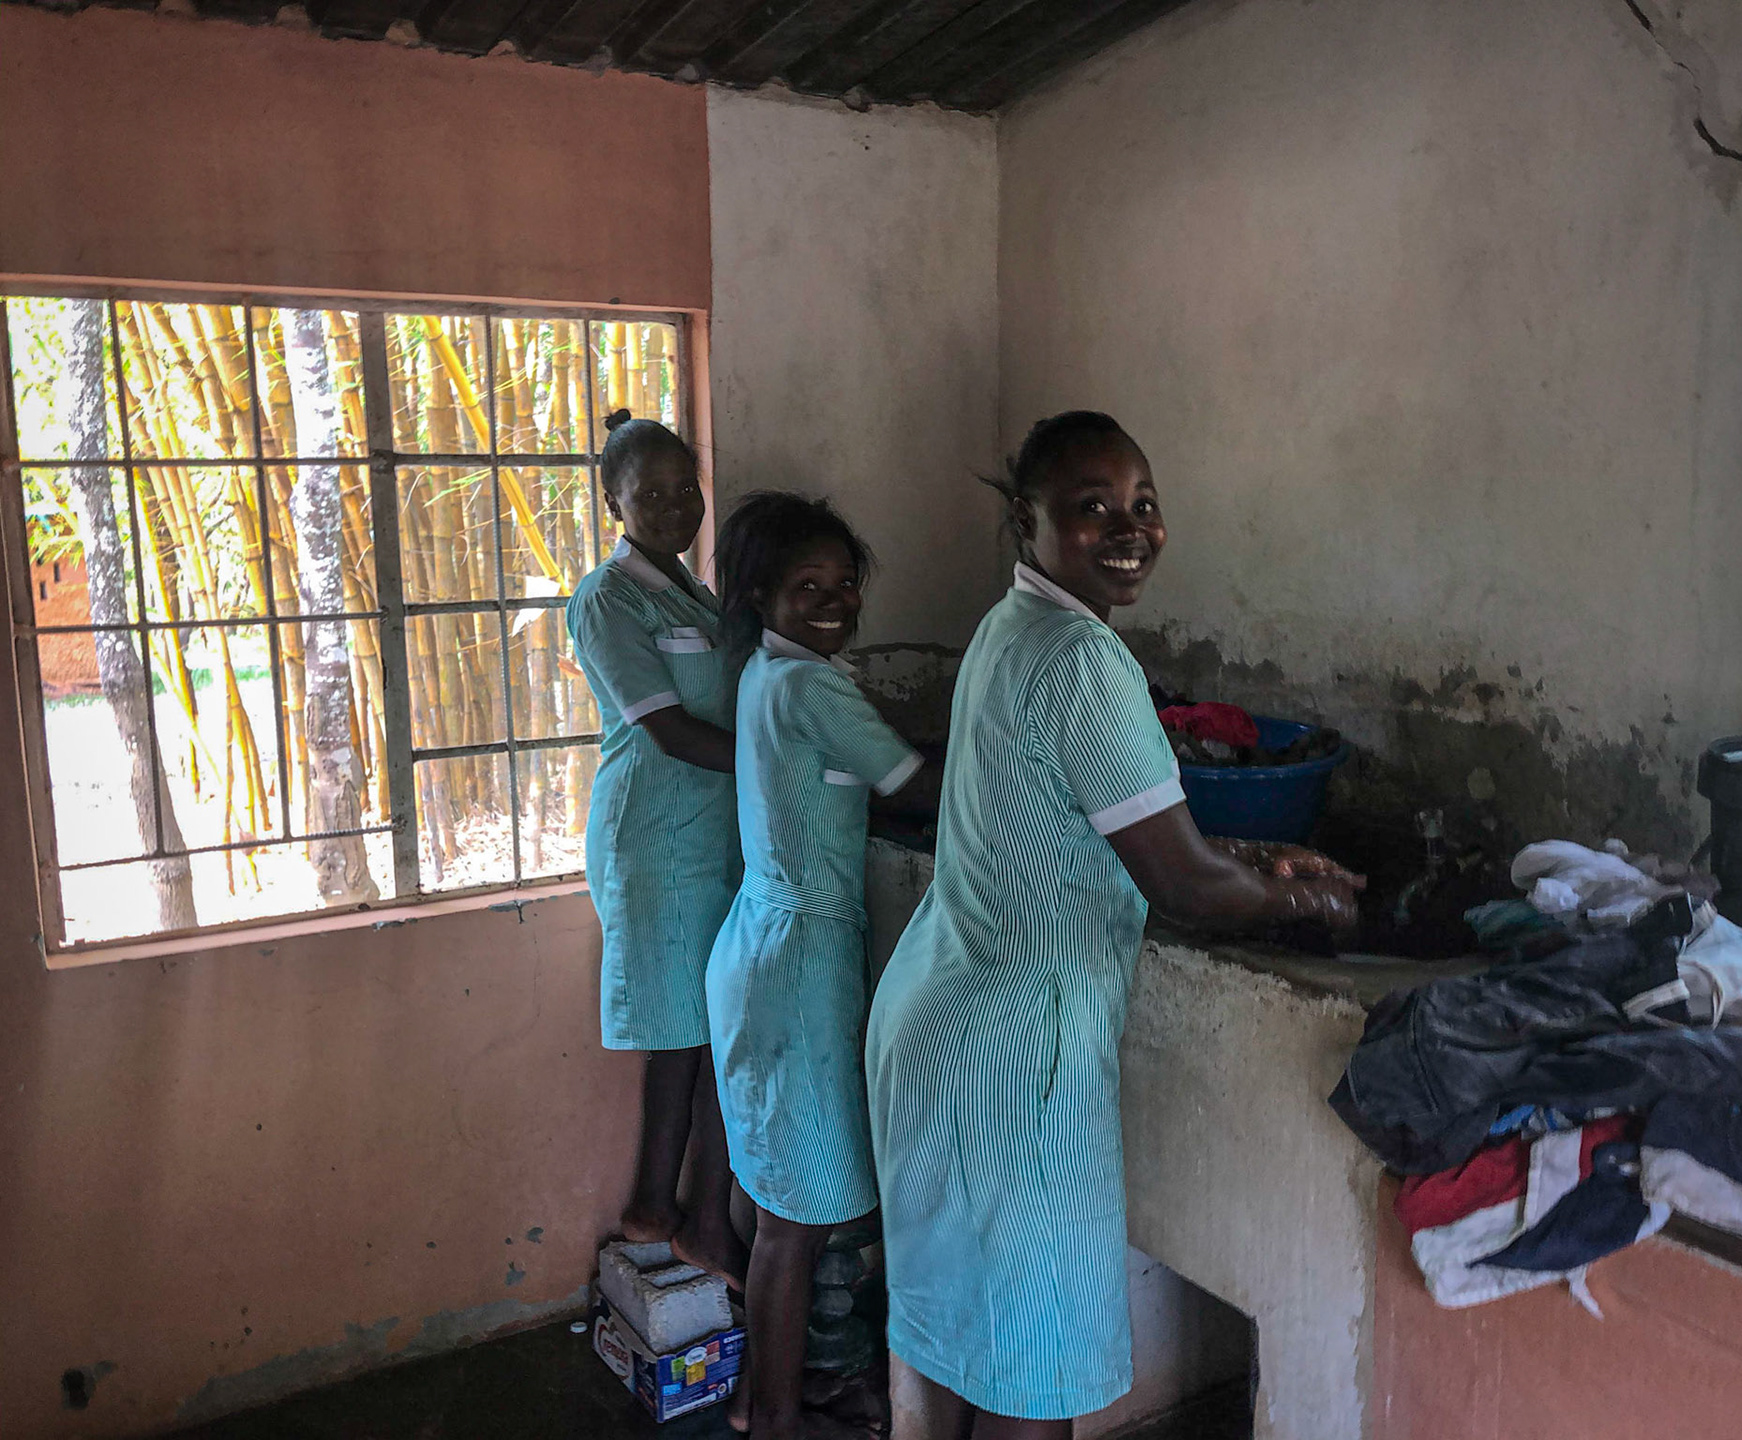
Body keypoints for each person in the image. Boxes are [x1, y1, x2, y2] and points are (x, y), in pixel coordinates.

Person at [866, 412, 1363, 1440]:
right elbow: (1180, 881)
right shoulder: (1086, 660)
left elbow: (1094, 825)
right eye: (1092, 508)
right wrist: (1297, 899)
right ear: (1028, 518)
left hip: (937, 1020)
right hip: (1016, 1066)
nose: (1129, 528)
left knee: (976, 1349)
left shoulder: (1009, 627)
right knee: (1034, 1377)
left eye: (1143, 504)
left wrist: (1258, 861)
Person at [707, 492, 939, 1440]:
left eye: (846, 584)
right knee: (794, 1226)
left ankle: (779, 1390)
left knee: (767, 1191)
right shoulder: (813, 686)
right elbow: (919, 788)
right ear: (762, 593)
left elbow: (859, 765)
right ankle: (772, 1417)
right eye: (810, 586)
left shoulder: (769, 672)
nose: (836, 601)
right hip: (800, 964)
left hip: (755, 948)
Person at [566, 409, 748, 1291]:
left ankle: (688, 1212)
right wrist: (782, 767)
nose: (678, 506)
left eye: (688, 488)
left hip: (708, 837)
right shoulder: (608, 599)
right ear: (614, 501)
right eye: (653, 493)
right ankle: (672, 1210)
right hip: (655, 840)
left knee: (713, 1033)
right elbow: (671, 731)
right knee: (683, 1037)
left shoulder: (692, 592)